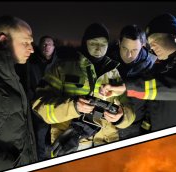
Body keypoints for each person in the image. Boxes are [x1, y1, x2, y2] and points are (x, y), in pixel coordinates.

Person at [33, 23, 135, 157]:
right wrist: (73, 106)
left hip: (105, 147)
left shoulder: (114, 74)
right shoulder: (62, 68)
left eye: (103, 43)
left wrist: (120, 118)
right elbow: (39, 106)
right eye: (93, 43)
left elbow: (129, 110)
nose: (98, 48)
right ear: (84, 42)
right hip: (69, 147)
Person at [102, 13, 176, 131]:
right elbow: (149, 109)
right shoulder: (159, 67)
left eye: (155, 39)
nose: (152, 47)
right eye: (150, 43)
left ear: (175, 36)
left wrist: (128, 86)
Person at [0, 15, 37, 172]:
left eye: (31, 43)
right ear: (4, 40)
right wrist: (9, 166)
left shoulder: (14, 75)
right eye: (26, 42)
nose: (32, 49)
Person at [108, 24, 157, 139]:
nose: (129, 55)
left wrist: (146, 129)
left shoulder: (153, 66)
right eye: (125, 48)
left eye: (134, 50)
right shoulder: (108, 62)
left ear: (143, 46)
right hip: (108, 128)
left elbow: (154, 104)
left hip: (136, 128)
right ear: (119, 43)